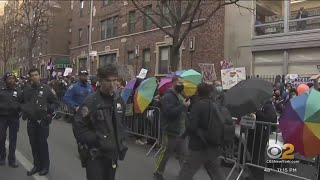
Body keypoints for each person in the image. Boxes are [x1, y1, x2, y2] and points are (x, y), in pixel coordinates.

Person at [73, 65, 128, 180]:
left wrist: (120, 142)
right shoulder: (91, 101)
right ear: (101, 81)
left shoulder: (119, 101)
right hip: (95, 155)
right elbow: (79, 127)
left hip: (112, 154)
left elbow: (121, 124)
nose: (112, 84)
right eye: (108, 81)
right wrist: (96, 139)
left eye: (114, 80)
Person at [179, 83, 225, 180]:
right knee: (215, 172)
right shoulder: (216, 105)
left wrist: (185, 111)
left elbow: (192, 126)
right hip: (213, 144)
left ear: (198, 92)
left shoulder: (198, 105)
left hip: (198, 145)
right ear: (210, 93)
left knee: (187, 171)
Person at [21, 68, 59, 176]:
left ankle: (45, 167)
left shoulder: (47, 89)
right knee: (34, 144)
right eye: (32, 75)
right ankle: (36, 165)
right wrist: (25, 111)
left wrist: (48, 111)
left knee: (42, 144)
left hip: (43, 122)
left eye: (36, 75)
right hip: (31, 122)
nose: (34, 77)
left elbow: (56, 103)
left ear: (40, 75)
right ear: (30, 77)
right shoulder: (27, 90)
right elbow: (22, 103)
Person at [154, 75, 190, 179]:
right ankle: (158, 171)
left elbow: (182, 110)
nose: (181, 85)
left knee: (184, 153)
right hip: (171, 129)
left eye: (182, 83)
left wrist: (187, 104)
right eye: (179, 83)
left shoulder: (181, 95)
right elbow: (169, 112)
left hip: (182, 128)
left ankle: (185, 174)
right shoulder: (168, 96)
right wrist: (183, 106)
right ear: (173, 83)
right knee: (167, 152)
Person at [245, 100, 277, 180]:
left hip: (260, 136)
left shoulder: (268, 106)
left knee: (258, 157)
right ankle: (252, 176)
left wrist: (256, 112)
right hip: (254, 135)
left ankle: (258, 177)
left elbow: (269, 118)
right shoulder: (258, 105)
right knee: (254, 157)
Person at [0, 72, 22, 168]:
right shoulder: (1, 90)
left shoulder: (19, 90)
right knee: (1, 138)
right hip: (2, 117)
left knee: (13, 139)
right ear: (5, 80)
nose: (11, 80)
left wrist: (20, 112)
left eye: (13, 78)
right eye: (9, 78)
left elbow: (23, 103)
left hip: (14, 118)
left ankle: (12, 159)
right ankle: (2, 157)